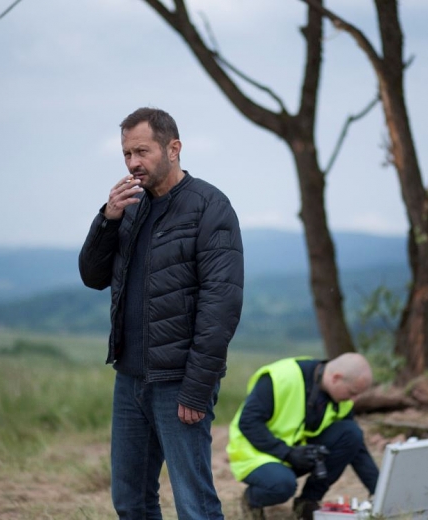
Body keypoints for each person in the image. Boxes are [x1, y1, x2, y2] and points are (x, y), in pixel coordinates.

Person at [79, 107, 244, 519]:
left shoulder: (210, 206)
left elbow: (220, 306)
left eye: (142, 151)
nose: (133, 163)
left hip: (179, 381)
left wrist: (197, 386)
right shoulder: (129, 208)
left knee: (194, 503)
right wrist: (107, 219)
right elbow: (93, 276)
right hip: (130, 376)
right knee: (130, 501)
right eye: (126, 154)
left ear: (174, 148)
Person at [227, 353, 379, 520]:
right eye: (352, 392)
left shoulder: (340, 398)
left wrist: (378, 490)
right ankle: (252, 500)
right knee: (282, 485)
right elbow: (248, 423)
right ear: (336, 378)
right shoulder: (282, 378)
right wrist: (287, 453)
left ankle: (307, 503)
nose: (354, 399)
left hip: (294, 453)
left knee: (351, 433)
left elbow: (356, 446)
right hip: (255, 455)